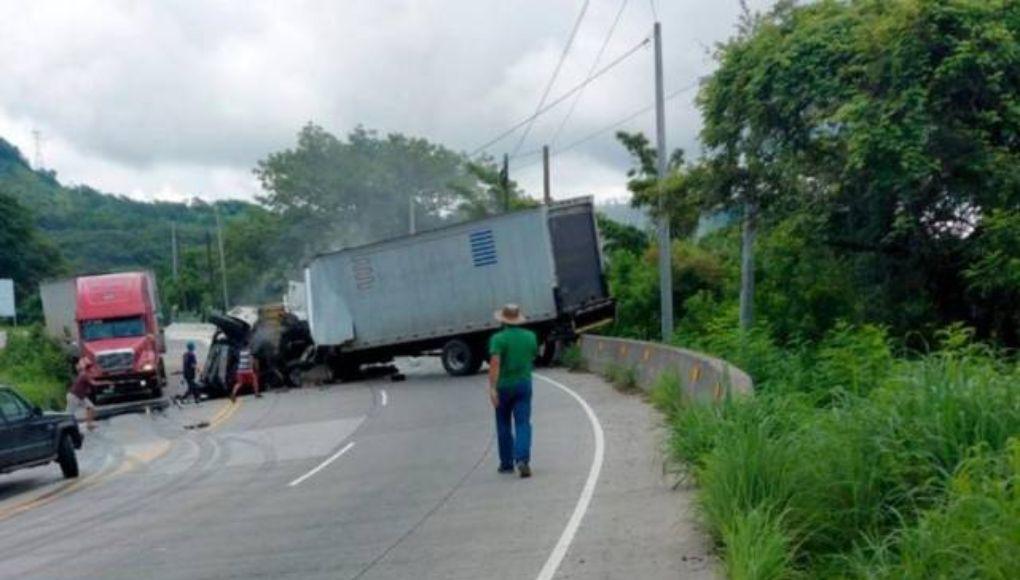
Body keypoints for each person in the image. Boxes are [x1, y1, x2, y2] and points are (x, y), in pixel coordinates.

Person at [488, 303, 538, 478]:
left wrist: (492, 388)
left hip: (504, 386)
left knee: (503, 424)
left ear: (503, 320)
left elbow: (495, 363)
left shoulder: (498, 339)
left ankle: (507, 463)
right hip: (524, 384)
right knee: (523, 423)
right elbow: (533, 355)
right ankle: (522, 459)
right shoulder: (530, 336)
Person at [67, 358, 98, 431]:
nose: (94, 370)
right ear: (89, 369)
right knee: (69, 414)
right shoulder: (84, 375)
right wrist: (106, 382)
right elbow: (93, 383)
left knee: (90, 407)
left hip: (81, 396)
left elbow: (87, 386)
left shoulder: (85, 374)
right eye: (93, 368)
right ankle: (69, 428)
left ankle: (89, 425)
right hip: (74, 396)